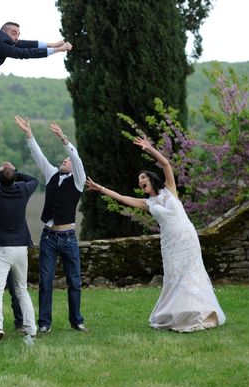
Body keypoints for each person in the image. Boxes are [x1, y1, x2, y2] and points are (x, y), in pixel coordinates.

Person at [86, 136, 227, 332]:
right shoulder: (147, 204)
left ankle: (202, 313)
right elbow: (122, 198)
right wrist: (100, 188)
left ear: (152, 179)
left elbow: (166, 163)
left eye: (143, 177)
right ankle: (176, 315)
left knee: (193, 274)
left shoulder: (170, 190)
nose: (141, 181)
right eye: (139, 180)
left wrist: (149, 148)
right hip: (169, 243)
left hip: (186, 236)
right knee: (175, 276)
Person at [14, 116, 89, 334]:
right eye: (64, 160)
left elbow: (77, 160)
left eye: (67, 161)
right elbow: (38, 156)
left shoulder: (78, 180)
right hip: (48, 236)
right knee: (45, 281)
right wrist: (29, 134)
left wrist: (64, 139)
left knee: (74, 281)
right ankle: (44, 322)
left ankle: (77, 321)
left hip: (68, 238)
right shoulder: (52, 175)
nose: (65, 161)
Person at [0, 162, 39, 346]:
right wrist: (14, 171)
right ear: (14, 178)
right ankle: (31, 330)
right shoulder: (23, 190)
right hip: (21, 249)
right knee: (22, 290)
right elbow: (33, 179)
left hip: (2, 249)